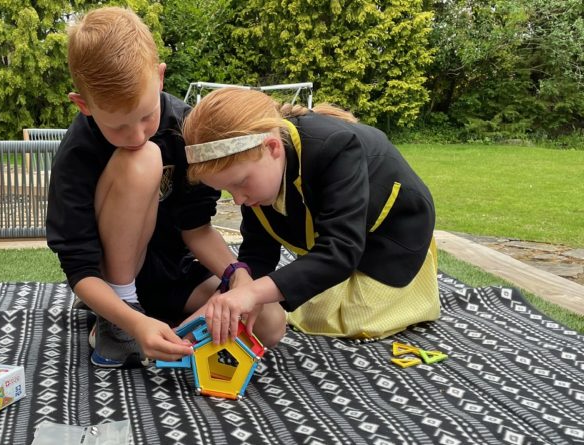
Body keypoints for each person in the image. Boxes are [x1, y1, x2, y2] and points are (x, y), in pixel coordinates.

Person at [45, 8, 286, 368]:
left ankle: (155, 322)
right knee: (143, 159)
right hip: (111, 280)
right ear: (84, 106)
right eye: (118, 127)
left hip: (174, 272)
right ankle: (118, 319)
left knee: (269, 323)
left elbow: (197, 228)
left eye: (145, 116)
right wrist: (132, 320)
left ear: (159, 78)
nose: (136, 134)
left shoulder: (185, 127)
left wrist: (238, 276)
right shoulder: (80, 151)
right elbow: (79, 269)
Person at [181, 88, 441, 345]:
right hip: (344, 242)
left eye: (240, 183)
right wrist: (215, 307)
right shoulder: (258, 177)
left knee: (342, 319)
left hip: (392, 239)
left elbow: (340, 252)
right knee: (286, 298)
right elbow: (258, 253)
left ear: (272, 148)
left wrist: (254, 293)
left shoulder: (335, 148)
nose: (238, 199)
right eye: (227, 190)